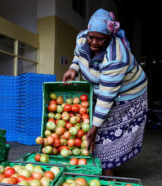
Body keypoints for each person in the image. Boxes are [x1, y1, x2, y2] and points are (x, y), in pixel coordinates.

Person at [62, 8, 148, 176]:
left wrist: (95, 127)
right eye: (91, 37)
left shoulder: (116, 57)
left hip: (129, 94)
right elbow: (78, 55)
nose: (93, 42)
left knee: (104, 130)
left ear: (109, 37)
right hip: (103, 89)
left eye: (100, 39)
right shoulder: (81, 38)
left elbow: (106, 96)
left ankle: (108, 173)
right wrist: (73, 68)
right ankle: (101, 166)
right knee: (98, 127)